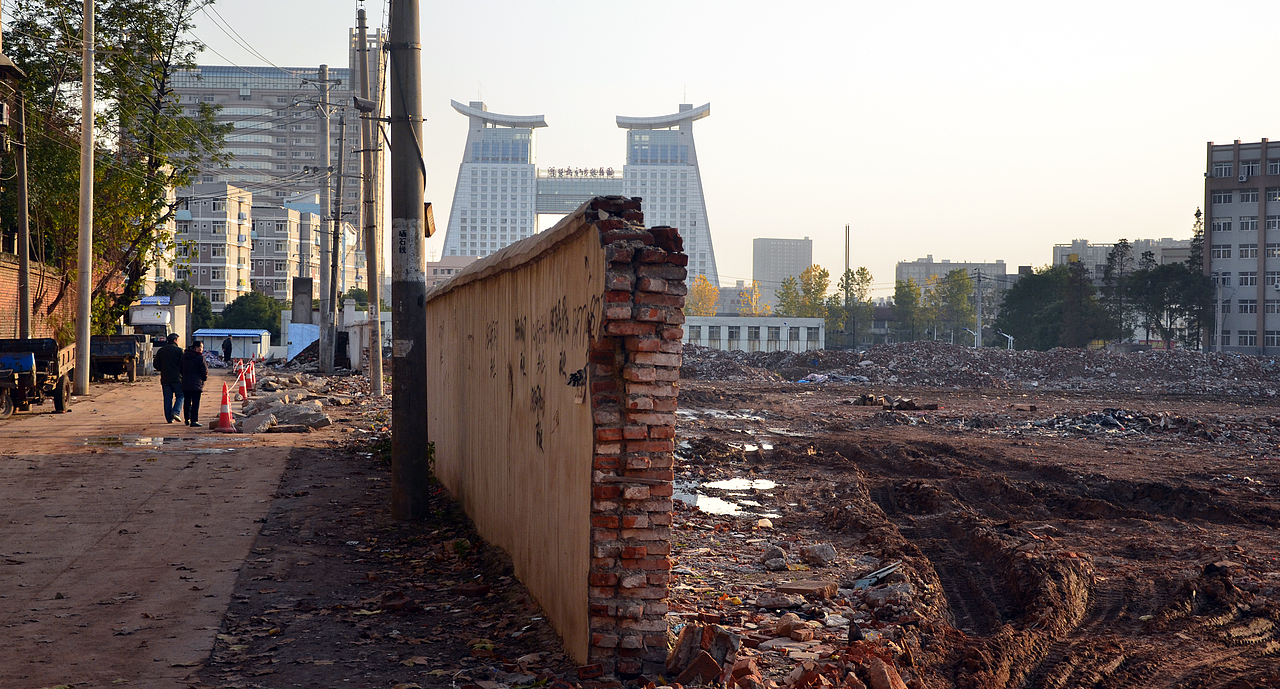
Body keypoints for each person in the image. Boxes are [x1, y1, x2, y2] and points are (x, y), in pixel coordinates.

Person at [152, 333, 184, 423]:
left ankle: (169, 419)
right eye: (178, 340)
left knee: (167, 398)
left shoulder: (161, 351)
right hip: (177, 378)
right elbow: (183, 364)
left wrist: (162, 369)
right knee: (181, 395)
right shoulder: (179, 351)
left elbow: (156, 364)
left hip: (165, 378)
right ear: (175, 340)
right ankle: (175, 412)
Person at [181, 340, 209, 427]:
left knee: (187, 401)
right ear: (196, 348)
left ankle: (187, 419)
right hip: (197, 383)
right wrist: (204, 379)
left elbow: (180, 369)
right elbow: (204, 371)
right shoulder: (200, 358)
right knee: (195, 402)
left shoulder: (184, 357)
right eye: (201, 347)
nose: (202, 349)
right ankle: (194, 420)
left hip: (185, 382)